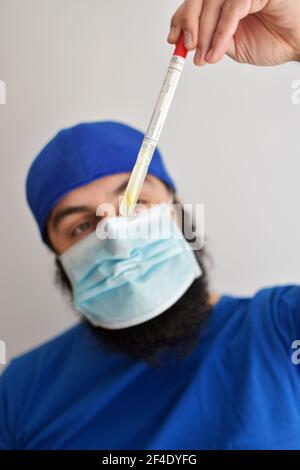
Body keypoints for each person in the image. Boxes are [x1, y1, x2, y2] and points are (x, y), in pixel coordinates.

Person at [0, 0, 299, 450]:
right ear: (59, 260)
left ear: (180, 215)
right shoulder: (19, 393)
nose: (115, 233)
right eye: (81, 227)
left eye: (136, 200)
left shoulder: (280, 330)